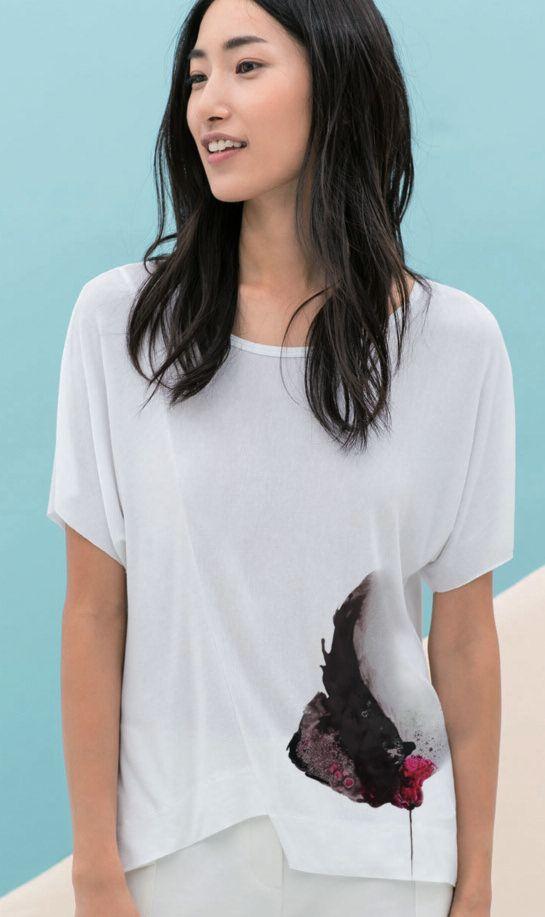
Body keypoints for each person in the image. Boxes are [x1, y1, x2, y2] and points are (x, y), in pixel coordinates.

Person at [46, 0, 516, 915]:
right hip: (175, 851)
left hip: (382, 864)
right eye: (197, 75)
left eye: (246, 66)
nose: (208, 102)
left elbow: (462, 637)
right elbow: (95, 611)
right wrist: (95, 867)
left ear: (335, 82)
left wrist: (475, 881)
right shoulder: (123, 327)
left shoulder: (454, 343)